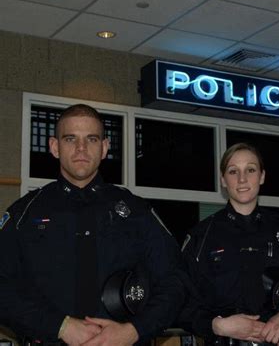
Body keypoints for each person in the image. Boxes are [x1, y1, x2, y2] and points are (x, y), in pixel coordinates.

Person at [0, 104, 185, 345]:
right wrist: (59, 326)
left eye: (91, 139)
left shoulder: (137, 212)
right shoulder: (23, 215)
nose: (81, 148)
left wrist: (134, 330)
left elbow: (176, 282)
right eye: (70, 139)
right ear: (54, 147)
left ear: (104, 148)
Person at [179, 143, 279, 345]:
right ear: (223, 180)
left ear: (262, 176)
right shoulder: (201, 237)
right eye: (233, 171)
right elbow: (179, 300)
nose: (242, 179)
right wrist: (217, 325)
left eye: (250, 169)